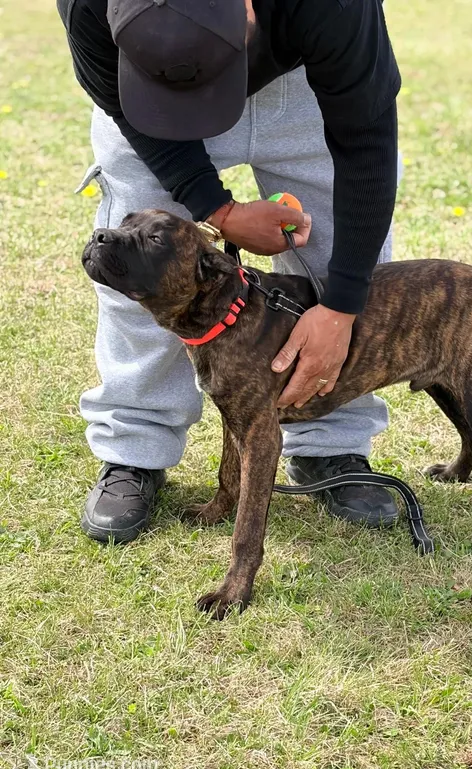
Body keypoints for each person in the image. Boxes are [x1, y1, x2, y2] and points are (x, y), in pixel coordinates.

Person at [57, 0, 402, 543]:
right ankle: (134, 448)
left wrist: (339, 309)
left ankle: (332, 441)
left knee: (338, 247)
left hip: (302, 85)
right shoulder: (87, 8)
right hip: (144, 93)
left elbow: (367, 143)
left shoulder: (334, 8)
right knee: (138, 263)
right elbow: (123, 107)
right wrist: (219, 211)